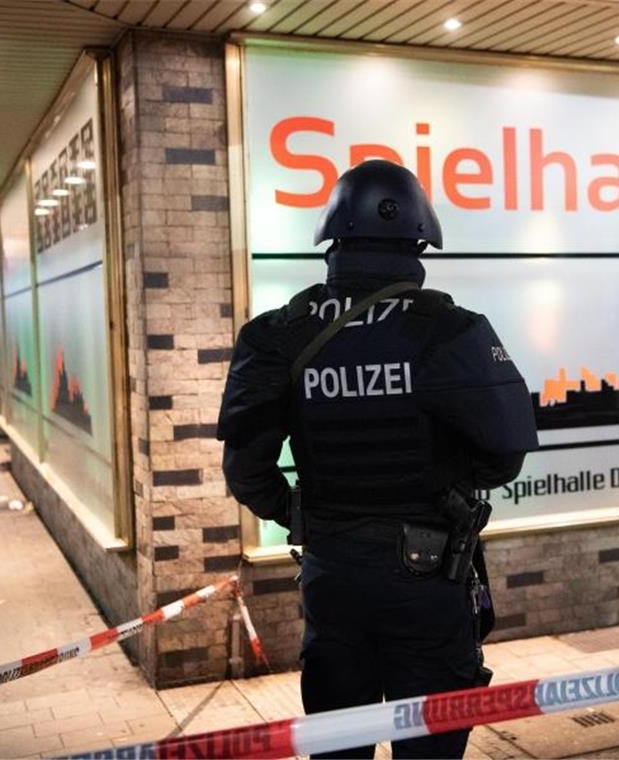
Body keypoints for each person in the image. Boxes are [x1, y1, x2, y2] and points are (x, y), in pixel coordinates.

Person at [217, 160, 538, 759]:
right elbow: (504, 456)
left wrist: (308, 515)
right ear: (419, 239)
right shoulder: (451, 331)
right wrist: (442, 484)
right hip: (429, 579)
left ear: (332, 239)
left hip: (332, 576)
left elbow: (246, 473)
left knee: (340, 746)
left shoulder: (278, 335)